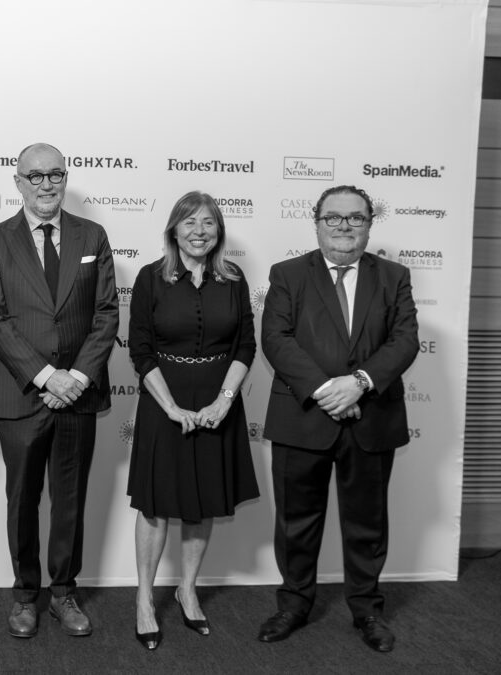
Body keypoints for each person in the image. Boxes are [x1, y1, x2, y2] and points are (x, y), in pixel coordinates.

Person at [258, 185, 419, 653]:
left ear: (369, 224)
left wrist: (361, 382)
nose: (344, 226)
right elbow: (276, 338)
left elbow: (405, 340)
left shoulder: (394, 276)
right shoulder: (288, 274)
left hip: (371, 420)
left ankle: (367, 610)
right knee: (296, 522)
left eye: (355, 218)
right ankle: (293, 605)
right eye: (334, 217)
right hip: (303, 418)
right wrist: (330, 391)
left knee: (367, 524)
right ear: (317, 223)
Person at [0, 142, 119, 639]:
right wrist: (45, 376)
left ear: (65, 178)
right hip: (22, 393)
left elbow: (106, 313)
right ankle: (24, 595)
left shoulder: (92, 235)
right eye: (34, 175)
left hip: (78, 395)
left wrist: (74, 378)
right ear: (18, 182)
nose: (45, 184)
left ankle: (63, 592)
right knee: (22, 499)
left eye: (54, 174)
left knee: (70, 498)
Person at [127, 192, 259, 650]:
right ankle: (144, 599)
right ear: (174, 229)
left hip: (217, 406)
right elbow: (140, 350)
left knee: (201, 501)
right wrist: (169, 407)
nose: (199, 231)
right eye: (190, 222)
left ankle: (187, 590)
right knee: (154, 504)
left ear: (218, 231)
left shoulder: (233, 278)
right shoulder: (150, 277)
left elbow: (246, 346)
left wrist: (224, 402)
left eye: (208, 223)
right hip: (163, 402)